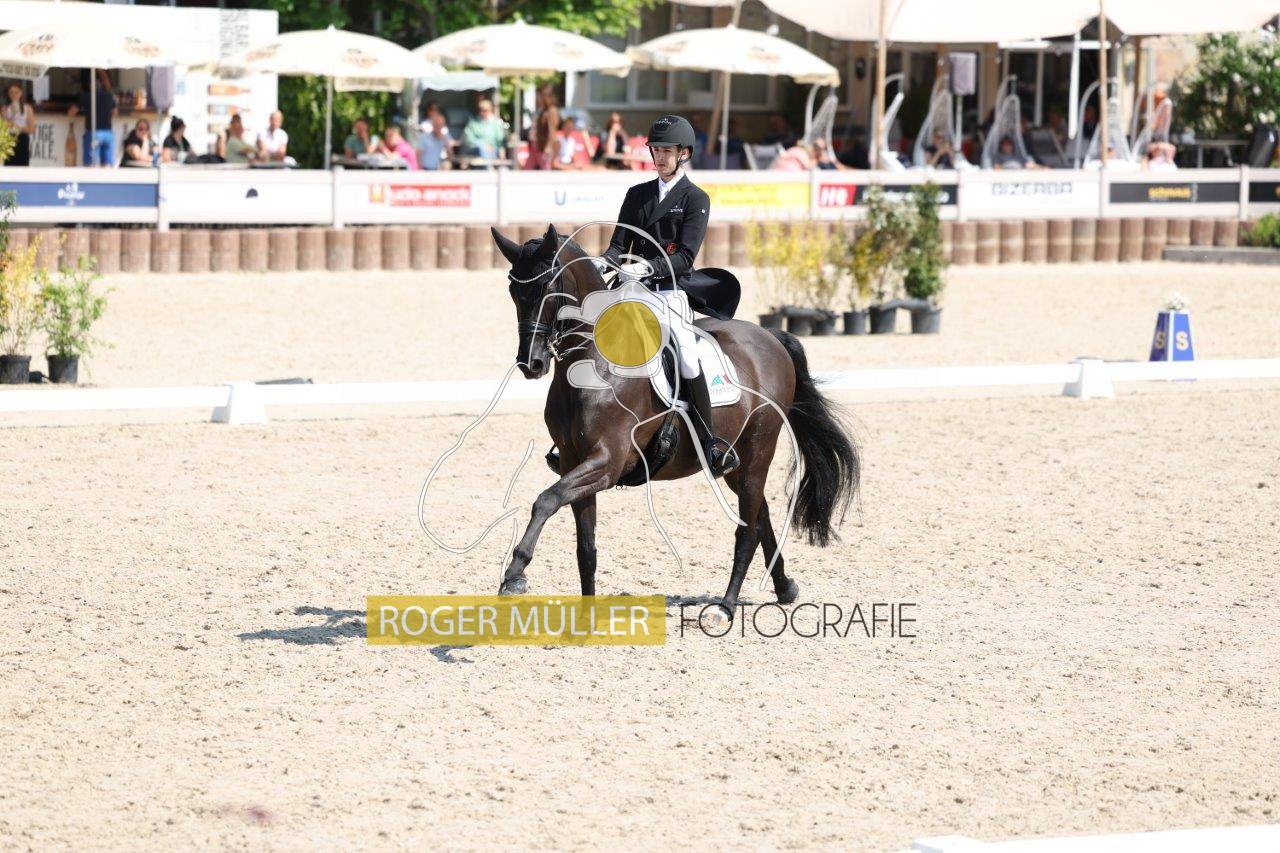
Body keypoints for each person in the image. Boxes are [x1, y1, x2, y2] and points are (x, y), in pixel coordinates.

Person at [595, 115, 740, 476]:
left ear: (683, 154)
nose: (659, 157)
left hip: (670, 294)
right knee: (592, 341)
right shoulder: (637, 195)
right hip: (632, 292)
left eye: (666, 151)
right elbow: (618, 246)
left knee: (687, 358)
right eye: (656, 151)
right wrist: (603, 262)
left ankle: (709, 443)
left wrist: (647, 267)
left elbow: (685, 257)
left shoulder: (695, 199)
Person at [67, 69, 116, 167]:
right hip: (108, 134)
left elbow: (71, 112)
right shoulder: (109, 96)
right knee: (106, 166)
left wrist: (85, 109)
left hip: (94, 133)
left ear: (90, 84)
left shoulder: (86, 96)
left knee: (90, 166)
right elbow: (115, 113)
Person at [526, 84, 560, 170]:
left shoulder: (551, 110)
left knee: (546, 170)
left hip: (543, 146)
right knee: (527, 169)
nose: (538, 98)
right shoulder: (542, 110)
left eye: (539, 96)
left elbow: (552, 130)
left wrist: (549, 146)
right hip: (535, 145)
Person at [3, 83, 34, 167]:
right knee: (9, 167)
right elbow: (3, 127)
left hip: (22, 139)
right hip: (9, 139)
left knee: (22, 167)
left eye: (16, 92)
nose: (14, 95)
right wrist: (10, 119)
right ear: (8, 94)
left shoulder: (27, 108)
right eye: (11, 92)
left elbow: (31, 129)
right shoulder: (5, 108)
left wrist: (18, 127)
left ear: (21, 93)